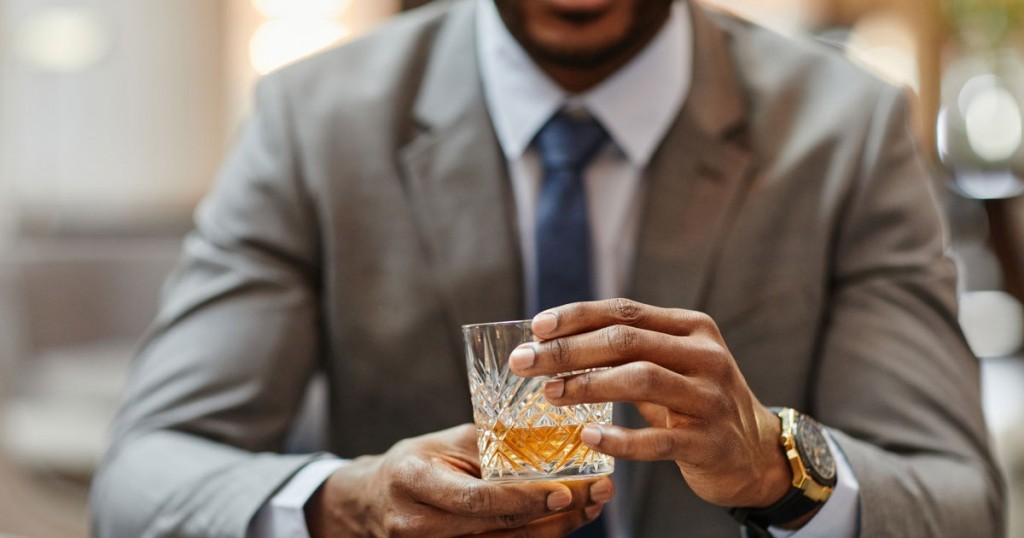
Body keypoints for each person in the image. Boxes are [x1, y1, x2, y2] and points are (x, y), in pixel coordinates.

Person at [90, 0, 1006, 536]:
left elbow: (961, 501)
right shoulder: (313, 120)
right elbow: (142, 474)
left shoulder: (848, 131)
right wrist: (344, 504)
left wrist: (777, 463)